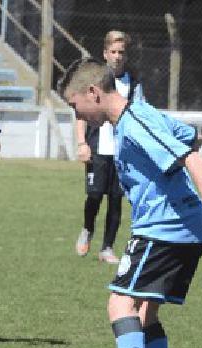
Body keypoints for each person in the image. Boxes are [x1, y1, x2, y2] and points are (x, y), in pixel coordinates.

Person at [57, 58, 202, 348]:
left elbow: (191, 156)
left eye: (75, 107)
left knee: (118, 304)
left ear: (93, 93)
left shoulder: (135, 123)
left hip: (164, 229)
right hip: (181, 229)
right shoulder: (140, 116)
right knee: (144, 313)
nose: (78, 116)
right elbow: (189, 139)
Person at [74, 30, 145, 264]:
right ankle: (87, 229)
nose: (117, 56)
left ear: (126, 56)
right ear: (105, 54)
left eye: (121, 52)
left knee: (116, 200)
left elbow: (139, 115)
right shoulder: (94, 81)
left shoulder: (133, 83)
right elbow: (81, 114)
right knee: (94, 195)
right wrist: (82, 143)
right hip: (97, 150)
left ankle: (107, 248)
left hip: (122, 153)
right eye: (113, 52)